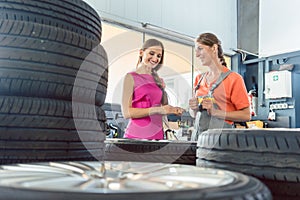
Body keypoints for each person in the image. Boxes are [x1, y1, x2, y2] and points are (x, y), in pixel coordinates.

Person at [189, 32, 251, 141]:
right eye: (196, 51)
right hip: (199, 140)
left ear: (214, 48)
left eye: (200, 49)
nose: (197, 55)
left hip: (222, 142)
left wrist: (216, 112)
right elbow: (194, 115)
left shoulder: (234, 79)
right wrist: (193, 109)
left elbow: (246, 115)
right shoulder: (198, 80)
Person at [122, 38, 185, 140]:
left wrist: (173, 110)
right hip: (136, 136)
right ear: (141, 53)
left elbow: (162, 108)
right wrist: (158, 110)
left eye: (159, 56)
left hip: (157, 136)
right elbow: (127, 113)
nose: (155, 59)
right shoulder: (130, 77)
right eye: (152, 53)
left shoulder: (159, 80)